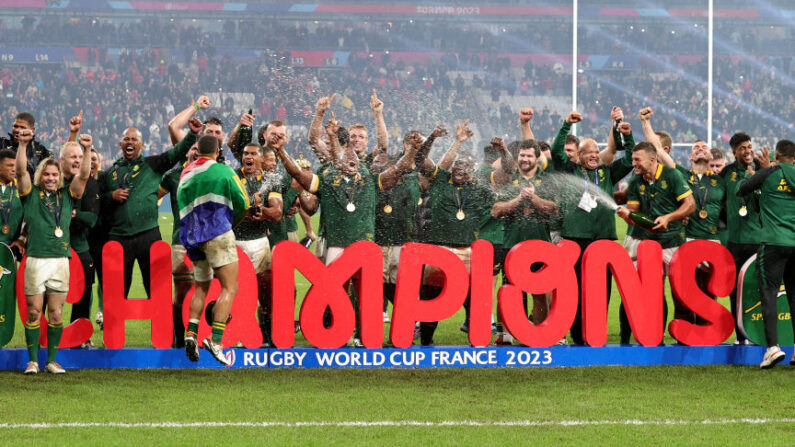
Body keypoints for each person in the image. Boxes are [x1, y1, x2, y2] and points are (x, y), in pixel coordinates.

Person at [277, 112, 426, 347]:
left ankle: (366, 336)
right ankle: (335, 333)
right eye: (347, 157)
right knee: (332, 294)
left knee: (367, 297)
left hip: (365, 250)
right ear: (340, 163)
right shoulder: (327, 182)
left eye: (355, 157)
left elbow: (397, 170)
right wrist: (281, 152)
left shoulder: (371, 181)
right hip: (337, 246)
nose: (352, 159)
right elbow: (298, 174)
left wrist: (412, 152)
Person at [550, 108, 635, 345]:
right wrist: (566, 124)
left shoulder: (607, 173)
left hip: (604, 240)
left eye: (597, 151)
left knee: (602, 289)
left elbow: (629, 159)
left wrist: (627, 136)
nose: (595, 155)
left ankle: (595, 332)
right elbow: (556, 152)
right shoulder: (570, 170)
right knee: (575, 289)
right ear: (578, 155)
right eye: (589, 152)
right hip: (575, 238)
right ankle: (578, 335)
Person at [413, 125, 501, 345]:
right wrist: (439, 138)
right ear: (452, 167)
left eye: (466, 166)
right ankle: (426, 341)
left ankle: (477, 340)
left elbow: (499, 198)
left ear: (473, 171)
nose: (461, 169)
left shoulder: (479, 189)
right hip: (438, 250)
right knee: (430, 297)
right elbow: (420, 159)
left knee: (474, 299)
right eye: (458, 165)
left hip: (468, 250)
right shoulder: (441, 181)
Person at [100, 117, 202, 298]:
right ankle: (113, 325)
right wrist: (111, 196)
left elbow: (177, 153)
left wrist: (192, 134)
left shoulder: (152, 165)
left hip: (148, 234)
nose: (130, 142)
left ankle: (162, 325)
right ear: (120, 143)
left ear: (142, 145)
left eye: (134, 139)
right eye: (126, 139)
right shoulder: (110, 172)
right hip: (119, 236)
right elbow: (98, 201)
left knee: (155, 288)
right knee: (117, 291)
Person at [17, 136, 91, 374]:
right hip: (36, 260)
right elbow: (20, 172)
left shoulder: (68, 195)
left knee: (56, 314)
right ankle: (32, 361)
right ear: (41, 175)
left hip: (60, 260)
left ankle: (51, 361)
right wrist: (22, 145)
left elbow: (84, 176)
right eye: (47, 174)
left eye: (54, 175)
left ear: (60, 177)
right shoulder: (30, 194)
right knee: (34, 311)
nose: (50, 178)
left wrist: (87, 149)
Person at [177, 135, 251, 366]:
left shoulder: (186, 173)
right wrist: (231, 223)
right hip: (217, 233)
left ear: (197, 150)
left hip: (192, 237)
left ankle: (191, 332)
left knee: (201, 286)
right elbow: (244, 203)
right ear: (218, 151)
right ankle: (215, 340)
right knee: (230, 287)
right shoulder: (223, 171)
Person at [616, 141, 696, 334]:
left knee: (681, 293)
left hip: (673, 243)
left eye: (637, 159)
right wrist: (628, 216)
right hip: (649, 245)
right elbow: (634, 217)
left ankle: (685, 337)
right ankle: (656, 336)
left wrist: (669, 217)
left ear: (652, 159)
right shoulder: (635, 181)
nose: (633, 163)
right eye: (633, 159)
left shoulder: (672, 175)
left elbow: (690, 205)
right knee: (654, 293)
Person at [491, 140, 559, 344]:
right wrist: (519, 199)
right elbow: (496, 210)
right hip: (512, 246)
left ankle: (537, 336)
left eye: (529, 155)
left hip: (539, 247)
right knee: (511, 292)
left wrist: (534, 198)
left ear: (537, 158)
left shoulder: (547, 181)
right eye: (522, 155)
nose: (525, 159)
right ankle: (507, 335)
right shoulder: (509, 180)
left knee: (539, 293)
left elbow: (554, 209)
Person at [736, 139, 795, 368]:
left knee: (769, 292)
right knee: (794, 295)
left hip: (773, 242)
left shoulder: (769, 173)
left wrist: (764, 169)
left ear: (777, 156)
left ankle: (772, 348)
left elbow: (742, 188)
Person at [719, 131, 769, 344]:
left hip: (760, 239)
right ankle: (741, 337)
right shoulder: (727, 173)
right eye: (742, 148)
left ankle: (764, 335)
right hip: (736, 241)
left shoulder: (763, 168)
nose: (747, 151)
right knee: (735, 291)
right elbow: (718, 201)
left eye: (749, 146)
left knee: (763, 290)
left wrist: (765, 171)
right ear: (734, 152)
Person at [233, 142, 283, 345]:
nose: (248, 157)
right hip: (235, 241)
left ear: (261, 158)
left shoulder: (271, 180)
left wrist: (261, 211)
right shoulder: (233, 176)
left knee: (264, 292)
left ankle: (265, 335)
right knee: (235, 291)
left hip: (260, 243)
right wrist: (246, 208)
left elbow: (277, 213)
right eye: (245, 153)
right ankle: (235, 334)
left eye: (253, 153)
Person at [158, 142, 200, 348]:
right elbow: (152, 198)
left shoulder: (212, 175)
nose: (196, 151)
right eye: (193, 148)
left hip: (207, 242)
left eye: (200, 149)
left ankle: (199, 336)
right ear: (187, 151)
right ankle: (179, 337)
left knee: (205, 290)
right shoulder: (173, 176)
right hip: (181, 241)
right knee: (182, 292)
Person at [63, 113, 100, 339]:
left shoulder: (90, 184)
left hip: (81, 247)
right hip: (56, 249)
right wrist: (73, 135)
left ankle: (78, 339)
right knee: (49, 295)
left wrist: (73, 215)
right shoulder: (52, 179)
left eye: (80, 157)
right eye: (72, 157)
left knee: (83, 296)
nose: (77, 160)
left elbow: (92, 219)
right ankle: (45, 336)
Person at [0, 112, 51, 178]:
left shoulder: (41, 151)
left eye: (22, 127)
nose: (17, 130)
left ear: (32, 130)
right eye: (15, 126)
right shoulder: (2, 144)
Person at [0, 149, 24, 258]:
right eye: (10, 165)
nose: (14, 169)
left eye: (16, 165)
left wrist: (22, 238)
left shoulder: (23, 188)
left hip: (12, 249)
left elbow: (33, 216)